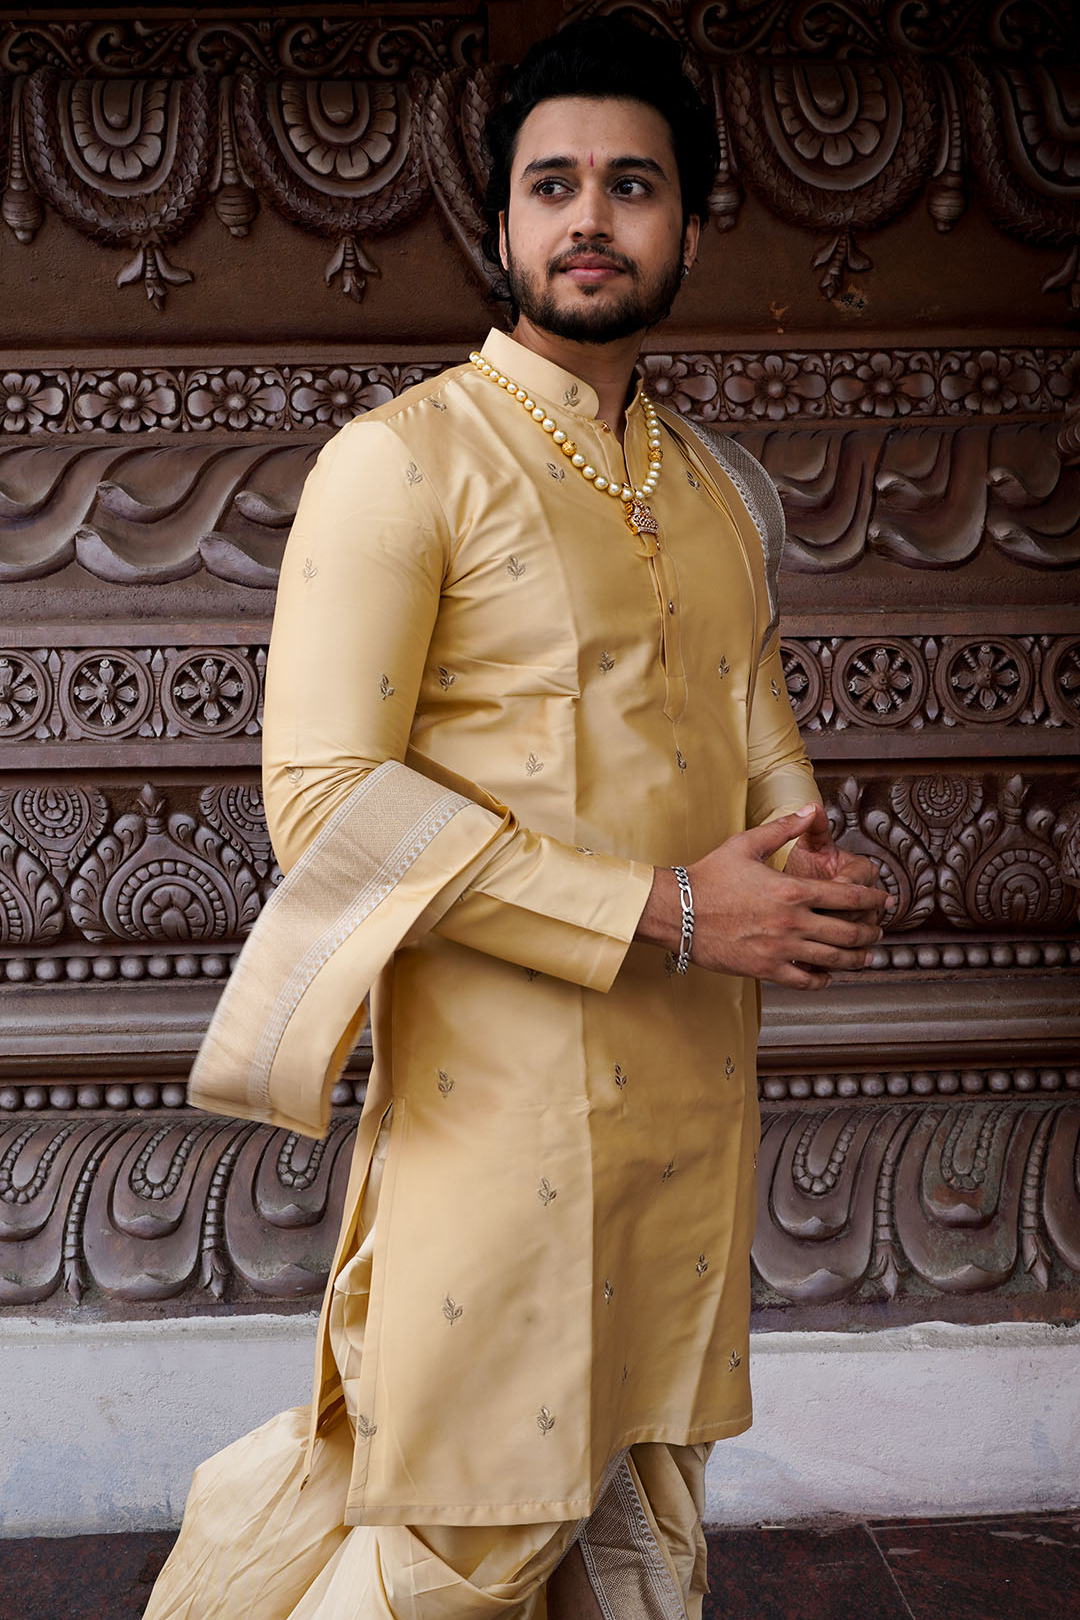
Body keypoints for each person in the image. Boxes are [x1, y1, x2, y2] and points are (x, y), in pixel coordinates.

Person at [143, 18, 888, 1620]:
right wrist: (676, 910)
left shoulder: (714, 490)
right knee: (456, 1536)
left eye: (632, 186)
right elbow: (327, 802)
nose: (589, 219)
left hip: (688, 1104)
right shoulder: (402, 465)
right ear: (502, 226)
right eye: (553, 185)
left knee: (640, 1528)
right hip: (504, 1122)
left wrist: (803, 859)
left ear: (689, 226)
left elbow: (756, 727)